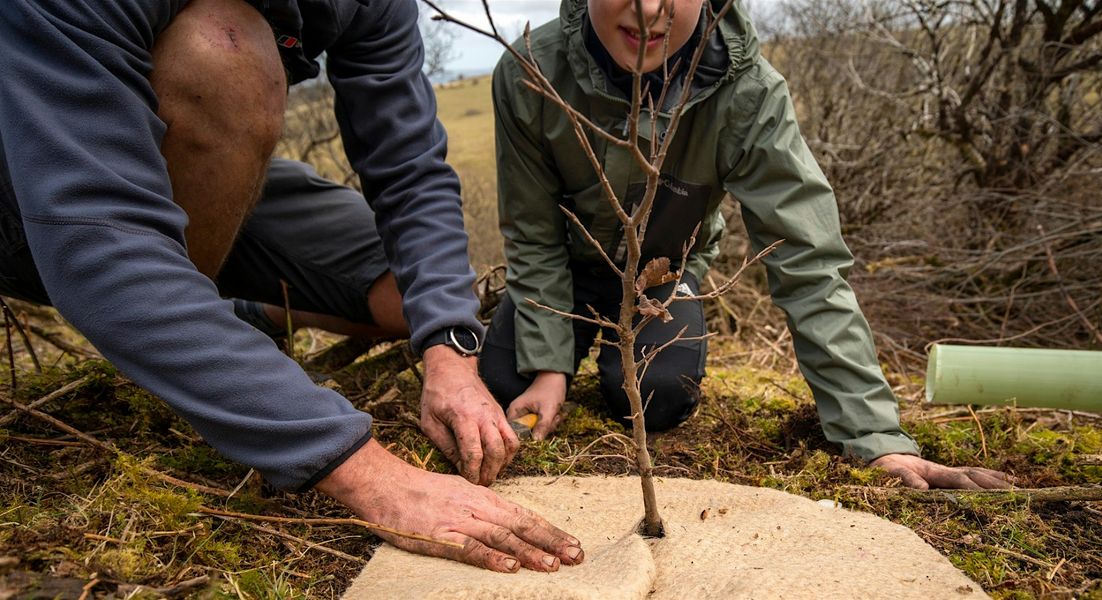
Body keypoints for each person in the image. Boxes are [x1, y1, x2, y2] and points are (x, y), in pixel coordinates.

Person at [0, 0, 582, 573]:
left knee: (412, 299)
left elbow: (410, 172)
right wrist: (376, 477)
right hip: (51, 173)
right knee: (223, 45)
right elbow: (100, 239)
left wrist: (451, 351)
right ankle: (185, 328)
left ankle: (237, 320)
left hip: (208, 167)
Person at [478, 0, 1012, 490]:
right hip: (564, 273)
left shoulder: (749, 93)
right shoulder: (531, 71)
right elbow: (533, 234)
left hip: (661, 276)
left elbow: (808, 262)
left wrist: (874, 438)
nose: (647, 10)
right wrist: (550, 370)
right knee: (506, 380)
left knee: (659, 397)